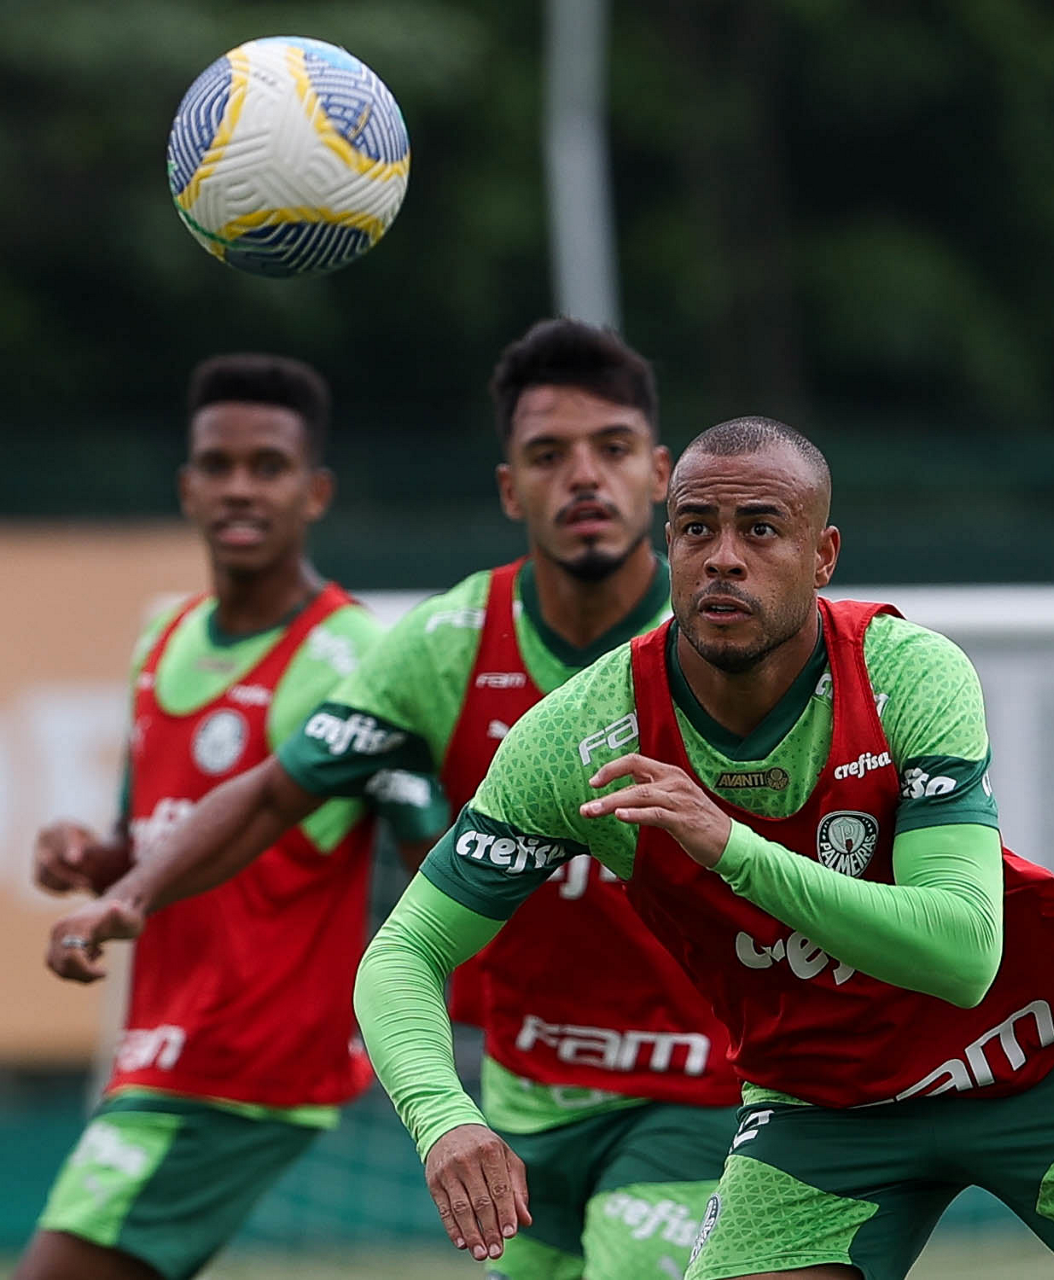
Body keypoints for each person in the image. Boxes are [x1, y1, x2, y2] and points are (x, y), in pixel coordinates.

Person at [353, 416, 1054, 1280]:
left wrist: (731, 847)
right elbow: (403, 954)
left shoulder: (905, 671)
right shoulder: (583, 735)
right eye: (697, 529)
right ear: (667, 545)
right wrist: (442, 1119)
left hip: (1028, 1058)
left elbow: (962, 953)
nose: (724, 557)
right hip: (821, 1111)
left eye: (761, 529)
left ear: (822, 555)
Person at [44, 319, 743, 1280]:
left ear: (658, 474)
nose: (585, 477)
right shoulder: (444, 643)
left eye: (613, 449)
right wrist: (131, 893)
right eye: (549, 455)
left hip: (706, 1087)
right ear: (511, 487)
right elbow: (272, 794)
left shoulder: (724, 640)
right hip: (527, 1096)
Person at [18, 354, 442, 1280]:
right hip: (163, 1041)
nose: (240, 488)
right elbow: (144, 843)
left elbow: (429, 848)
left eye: (268, 466)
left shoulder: (356, 650)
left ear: (315, 491)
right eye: (218, 465)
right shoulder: (163, 634)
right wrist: (87, 858)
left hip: (243, 1054)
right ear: (187, 487)